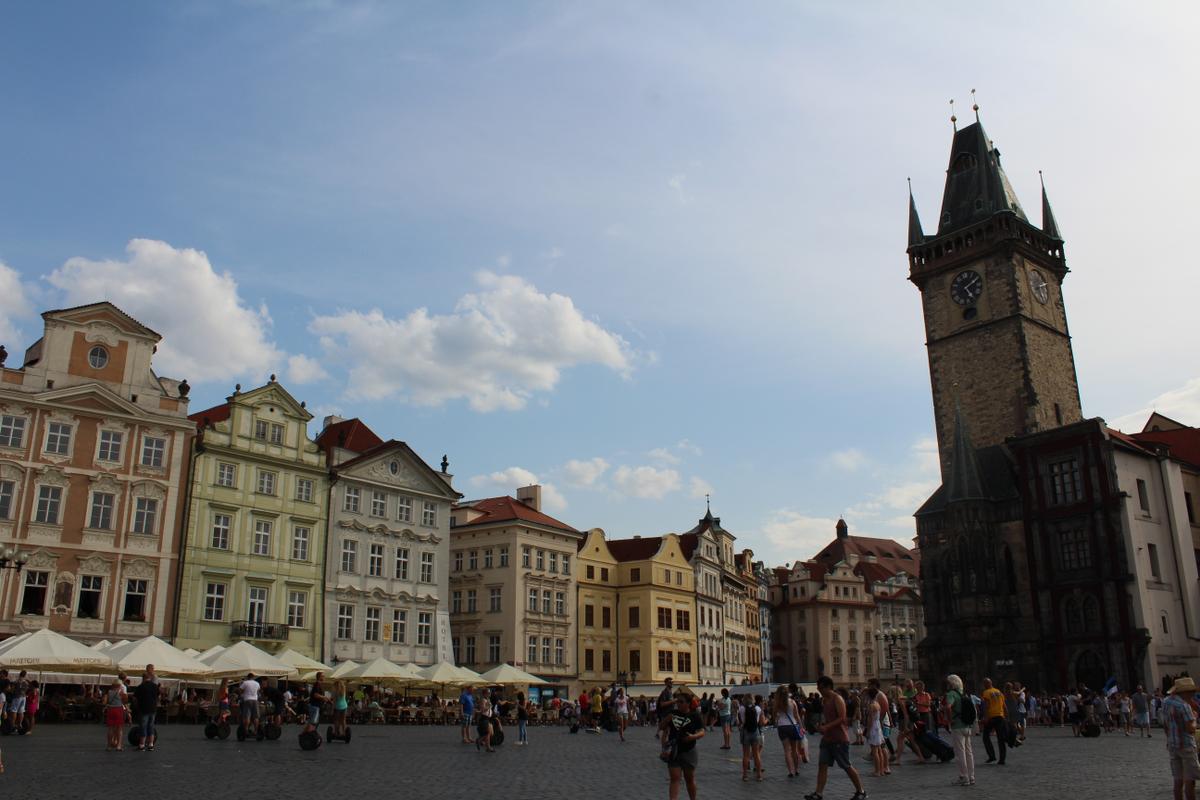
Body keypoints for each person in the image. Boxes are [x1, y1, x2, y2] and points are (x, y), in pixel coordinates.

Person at [804, 675, 867, 800]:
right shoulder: (824, 700)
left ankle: (861, 791)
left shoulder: (837, 699)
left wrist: (826, 727)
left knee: (846, 766)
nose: (818, 689)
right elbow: (828, 718)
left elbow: (842, 718)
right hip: (827, 739)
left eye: (820, 687)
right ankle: (818, 793)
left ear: (828, 687)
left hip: (839, 739)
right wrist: (821, 726)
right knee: (822, 765)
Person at [662, 691, 705, 800]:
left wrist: (693, 737)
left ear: (688, 703)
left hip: (689, 750)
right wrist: (666, 720)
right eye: (677, 701)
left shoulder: (695, 715)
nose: (678, 704)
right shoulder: (673, 713)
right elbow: (662, 727)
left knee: (689, 779)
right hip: (674, 750)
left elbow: (702, 731)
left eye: (681, 702)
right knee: (674, 779)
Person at [1165, 676, 1200, 800]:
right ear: (1185, 692)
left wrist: (1168, 740)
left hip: (1173, 745)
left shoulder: (1167, 702)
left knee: (1178, 780)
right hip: (1186, 745)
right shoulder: (1184, 706)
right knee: (1190, 780)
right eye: (1192, 691)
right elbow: (1190, 729)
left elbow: (1166, 725)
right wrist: (1194, 718)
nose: (1193, 694)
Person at [945, 674, 975, 786]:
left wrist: (949, 720)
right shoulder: (963, 694)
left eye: (948, 683)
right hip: (967, 725)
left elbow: (948, 706)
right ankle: (971, 777)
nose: (946, 685)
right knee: (969, 752)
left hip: (957, 726)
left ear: (952, 684)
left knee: (960, 753)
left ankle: (964, 776)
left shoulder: (951, 694)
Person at [774, 685, 805, 777]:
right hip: (793, 725)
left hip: (782, 726)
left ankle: (790, 771)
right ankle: (796, 770)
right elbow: (797, 716)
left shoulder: (777, 703)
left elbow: (775, 716)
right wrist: (801, 727)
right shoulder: (792, 702)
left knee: (787, 750)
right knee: (794, 750)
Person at [979, 678, 1007, 765]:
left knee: (986, 736)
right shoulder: (999, 692)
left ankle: (992, 755)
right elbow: (1004, 706)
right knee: (1000, 738)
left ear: (986, 684)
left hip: (992, 717)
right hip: (1000, 716)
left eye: (984, 684)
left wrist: (985, 717)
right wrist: (1007, 716)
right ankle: (1002, 759)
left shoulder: (986, 692)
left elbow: (987, 706)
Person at [739, 693, 766, 782]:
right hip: (755, 731)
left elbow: (742, 721)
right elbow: (759, 721)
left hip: (745, 731)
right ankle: (759, 775)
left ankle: (745, 775)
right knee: (756, 754)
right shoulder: (757, 708)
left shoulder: (742, 708)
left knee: (746, 755)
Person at [133, 665, 159, 751]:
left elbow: (135, 698)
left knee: (143, 726)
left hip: (144, 709)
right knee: (151, 726)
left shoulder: (140, 687)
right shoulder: (155, 686)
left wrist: (137, 705)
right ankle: (151, 745)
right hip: (153, 709)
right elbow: (158, 696)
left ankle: (141, 745)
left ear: (143, 678)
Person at [864, 687, 886, 778]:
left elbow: (870, 720)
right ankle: (881, 770)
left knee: (875, 751)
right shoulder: (877, 704)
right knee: (879, 750)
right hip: (878, 727)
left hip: (873, 728)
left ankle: (877, 771)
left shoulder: (871, 705)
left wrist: (868, 731)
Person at [105, 678, 128, 752]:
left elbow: (107, 701)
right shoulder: (121, 692)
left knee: (110, 729)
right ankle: (118, 745)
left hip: (110, 709)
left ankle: (109, 746)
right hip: (118, 709)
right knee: (119, 728)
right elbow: (125, 701)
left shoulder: (109, 692)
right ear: (119, 685)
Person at [9, 670, 27, 734]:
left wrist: (11, 690)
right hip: (24, 697)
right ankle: (20, 724)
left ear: (20, 674)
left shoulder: (17, 681)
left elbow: (12, 690)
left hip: (17, 697)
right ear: (25, 675)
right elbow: (27, 689)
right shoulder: (26, 682)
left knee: (14, 710)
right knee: (21, 711)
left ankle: (13, 725)